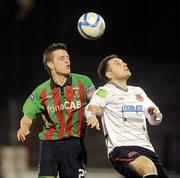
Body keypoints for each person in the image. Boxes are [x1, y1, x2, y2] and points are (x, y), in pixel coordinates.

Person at [17, 42, 96, 178]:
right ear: (50, 64)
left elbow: (96, 103)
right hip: (49, 144)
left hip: (75, 144)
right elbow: (28, 115)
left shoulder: (84, 82)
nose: (67, 61)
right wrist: (24, 127)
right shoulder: (41, 91)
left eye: (68, 58)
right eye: (61, 58)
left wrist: (93, 115)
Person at [85, 54, 169, 178]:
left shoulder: (138, 91)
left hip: (147, 148)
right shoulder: (104, 91)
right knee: (148, 167)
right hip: (122, 148)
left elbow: (155, 121)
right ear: (109, 74)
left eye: (123, 62)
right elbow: (91, 107)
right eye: (118, 63)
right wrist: (91, 116)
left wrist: (154, 115)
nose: (124, 64)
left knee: (151, 169)